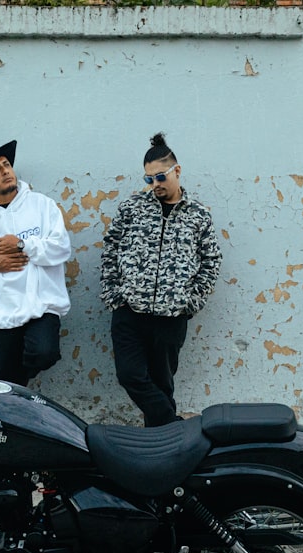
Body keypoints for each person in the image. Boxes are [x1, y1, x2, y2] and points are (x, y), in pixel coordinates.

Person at [100, 132, 222, 427]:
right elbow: (110, 249)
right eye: (148, 179)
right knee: (130, 375)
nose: (154, 185)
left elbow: (211, 261)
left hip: (171, 316)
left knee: (162, 384)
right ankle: (175, 427)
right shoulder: (132, 209)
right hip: (130, 311)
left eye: (160, 177)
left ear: (176, 171)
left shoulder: (198, 216)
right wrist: (114, 295)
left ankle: (161, 449)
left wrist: (190, 302)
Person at [0, 140, 72, 386]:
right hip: (0, 316)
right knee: (7, 386)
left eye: (6, 165)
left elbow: (61, 248)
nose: (6, 171)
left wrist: (22, 245)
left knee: (44, 353)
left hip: (41, 307)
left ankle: (21, 388)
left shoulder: (42, 205)